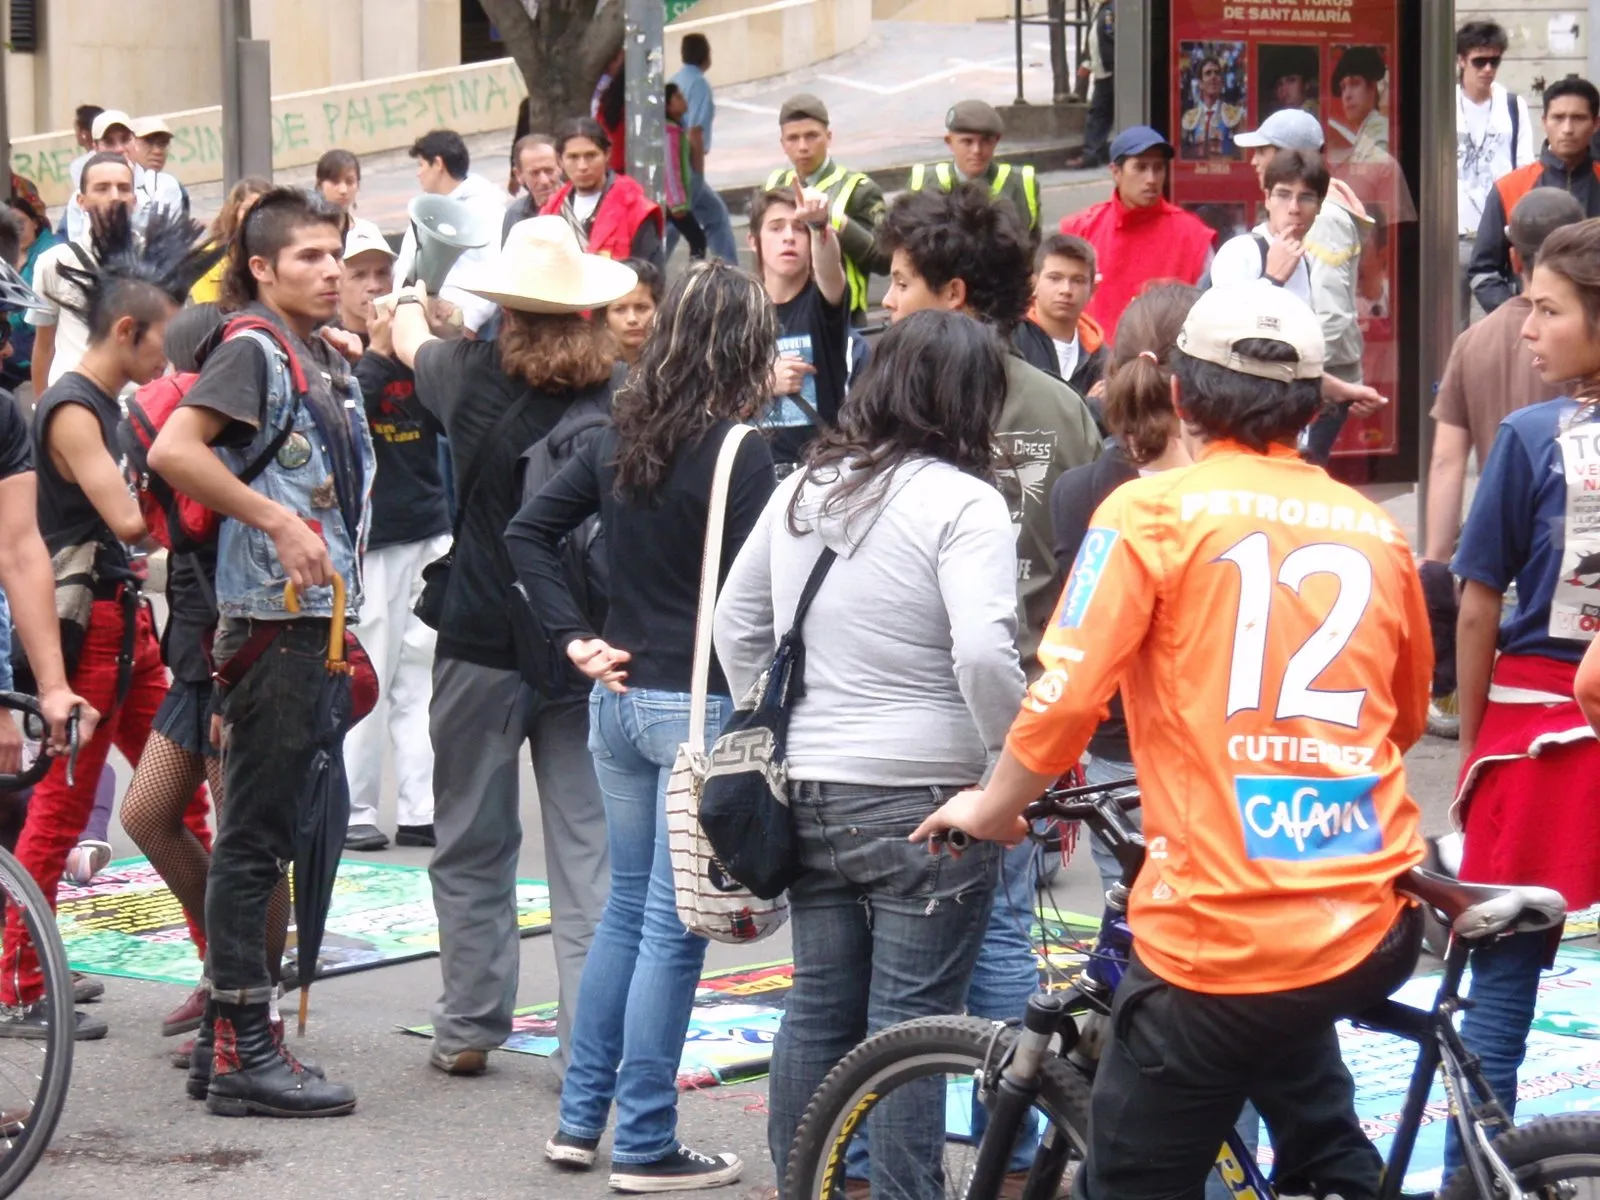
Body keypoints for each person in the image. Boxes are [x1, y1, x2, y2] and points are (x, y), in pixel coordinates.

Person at [914, 282, 1432, 1200]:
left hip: (1223, 923)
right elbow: (1401, 713)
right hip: (1365, 909)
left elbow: (1064, 697)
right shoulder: (1377, 530)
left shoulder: (1148, 513)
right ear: (1310, 404)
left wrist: (994, 807)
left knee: (1132, 1177)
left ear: (1180, 394)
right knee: (1309, 1110)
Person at [714, 310, 1023, 1195]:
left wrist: (780, 720)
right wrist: (1009, 762)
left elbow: (737, 624)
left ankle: (806, 1183)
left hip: (808, 785)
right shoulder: (965, 501)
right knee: (912, 1027)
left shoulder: (805, 488)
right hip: (927, 794)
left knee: (819, 1007)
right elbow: (982, 652)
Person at [508, 261, 777, 1194]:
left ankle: (581, 1121)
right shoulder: (743, 451)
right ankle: (647, 1140)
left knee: (628, 911)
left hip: (616, 696)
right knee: (671, 927)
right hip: (697, 705)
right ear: (746, 347)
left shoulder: (623, 431)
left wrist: (573, 637)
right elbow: (758, 599)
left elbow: (526, 533)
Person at [145, 187, 372, 1118]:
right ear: (263, 268)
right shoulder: (252, 348)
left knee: (259, 834)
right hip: (272, 624)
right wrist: (276, 520)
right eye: (310, 257)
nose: (331, 271)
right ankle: (245, 1049)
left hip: (301, 623)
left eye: (336, 255)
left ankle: (223, 1042)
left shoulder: (308, 352)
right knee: (253, 840)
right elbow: (174, 451)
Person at [387, 216, 621, 1081]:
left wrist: (414, 300)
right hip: (586, 641)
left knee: (471, 841)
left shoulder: (466, 374)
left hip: (481, 637)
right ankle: (587, 1051)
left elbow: (406, 337)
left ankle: (468, 1025)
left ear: (507, 308)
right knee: (588, 852)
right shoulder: (621, 393)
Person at [880, 182, 1100, 1060]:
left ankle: (1012, 1113)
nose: (887, 302)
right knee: (995, 925)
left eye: (901, 283)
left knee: (955, 939)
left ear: (954, 294)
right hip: (1020, 697)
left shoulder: (898, 408)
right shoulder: (1059, 406)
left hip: (944, 703)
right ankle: (1014, 1115)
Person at [0, 206, 220, 1041]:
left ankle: (220, 971)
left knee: (181, 801)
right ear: (127, 330)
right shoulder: (71, 408)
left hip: (125, 626)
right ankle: (17, 981)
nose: (170, 354)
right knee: (60, 814)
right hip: (89, 631)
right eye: (163, 338)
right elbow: (129, 520)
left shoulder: (105, 403)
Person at [1445, 217, 1600, 1174]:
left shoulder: (1532, 436)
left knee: (1501, 986)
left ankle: (1471, 1182)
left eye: (1547, 310)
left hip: (1536, 732)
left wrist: (1473, 745)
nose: (1527, 328)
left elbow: (1477, 607)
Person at [1422, 189, 1580, 739]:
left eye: (1548, 311)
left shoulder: (1474, 342)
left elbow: (1447, 461)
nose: (1533, 328)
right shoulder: (1570, 349)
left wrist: (1437, 560)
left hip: (1499, 547)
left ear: (1513, 255)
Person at [336, 224, 449, 853]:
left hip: (426, 526)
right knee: (369, 671)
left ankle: (421, 806)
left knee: (423, 673)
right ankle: (354, 807)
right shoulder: (332, 348)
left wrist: (435, 342)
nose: (374, 286)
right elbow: (345, 421)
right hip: (371, 540)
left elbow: (449, 415)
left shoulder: (410, 345)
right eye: (360, 275)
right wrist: (378, 355)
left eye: (383, 273)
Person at [1234, 109, 1375, 464]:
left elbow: (1330, 315)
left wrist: (1299, 379)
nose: (1253, 161)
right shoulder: (1302, 211)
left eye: (1262, 150)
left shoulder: (1322, 218)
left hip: (1311, 386)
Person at [1060, 126, 1215, 342]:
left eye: (1158, 168)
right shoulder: (1080, 229)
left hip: (1168, 358)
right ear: (1116, 172)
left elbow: (1212, 311)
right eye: (1140, 168)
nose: (1151, 178)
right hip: (1092, 357)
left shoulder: (1193, 234)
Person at [1469, 77, 1600, 314]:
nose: (1567, 129)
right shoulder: (1509, 187)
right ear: (1544, 122)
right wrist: (1521, 315)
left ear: (1595, 124)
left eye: (1578, 118)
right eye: (1558, 117)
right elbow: (1483, 270)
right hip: (1529, 326)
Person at [763, 94, 888, 322]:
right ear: (783, 144)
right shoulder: (775, 185)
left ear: (828, 137)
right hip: (786, 313)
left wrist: (830, 218)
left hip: (843, 318)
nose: (803, 147)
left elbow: (884, 259)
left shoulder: (858, 189)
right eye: (793, 138)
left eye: (812, 136)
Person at [750, 185, 848, 470]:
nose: (789, 237)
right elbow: (713, 404)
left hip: (818, 472)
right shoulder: (736, 312)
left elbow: (831, 270)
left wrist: (818, 225)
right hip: (754, 473)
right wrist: (764, 386)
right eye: (776, 228)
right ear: (754, 241)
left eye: (799, 228)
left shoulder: (821, 303)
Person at [29, 151, 138, 392]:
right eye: (102, 188)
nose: (114, 196)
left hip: (144, 404)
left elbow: (172, 342)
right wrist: (41, 405)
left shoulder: (157, 260)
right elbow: (44, 346)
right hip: (76, 402)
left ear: (134, 199)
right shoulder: (54, 262)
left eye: (123, 188)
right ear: (81, 201)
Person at [1456, 22, 1533, 319]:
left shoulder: (1513, 105)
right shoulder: (1445, 104)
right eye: (1479, 61)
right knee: (1451, 324)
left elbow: (1525, 167)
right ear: (1461, 60)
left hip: (1498, 235)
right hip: (1453, 234)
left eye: (1494, 61)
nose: (1488, 69)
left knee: (1500, 321)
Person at [398, 129, 507, 334]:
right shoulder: (426, 209)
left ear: (438, 164)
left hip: (473, 329)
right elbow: (406, 266)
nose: (418, 173)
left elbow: (493, 271)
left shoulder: (486, 209)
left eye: (421, 164)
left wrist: (470, 322)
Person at [543, 118, 665, 270]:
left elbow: (652, 275)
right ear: (560, 160)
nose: (582, 166)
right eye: (573, 157)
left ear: (607, 154)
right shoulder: (550, 211)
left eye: (591, 155)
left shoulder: (636, 210)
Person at [909, 100, 1040, 241]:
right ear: (949, 142)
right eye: (967, 142)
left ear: (996, 141)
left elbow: (1031, 243)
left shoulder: (1021, 183)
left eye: (986, 141)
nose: (977, 150)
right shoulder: (923, 182)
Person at [670, 34, 740, 264]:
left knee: (715, 215)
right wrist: (698, 171)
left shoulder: (675, 80)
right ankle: (650, 268)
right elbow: (695, 131)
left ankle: (729, 269)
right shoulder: (699, 85)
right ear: (706, 55)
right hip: (689, 166)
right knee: (676, 222)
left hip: (677, 164)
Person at [1014, 233, 1108, 403]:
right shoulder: (1011, 342)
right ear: (1033, 284)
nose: (1066, 290)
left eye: (1078, 281)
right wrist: (1087, 406)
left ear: (1092, 290)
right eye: (1055, 278)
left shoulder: (1101, 358)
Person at [3, 197, 60, 391]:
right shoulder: (7, 253)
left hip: (37, 338)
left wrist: (9, 321)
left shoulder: (49, 254)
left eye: (20, 223)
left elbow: (37, 312)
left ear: (35, 223)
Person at [190, 176, 270, 306]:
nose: (254, 215)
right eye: (247, 209)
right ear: (234, 211)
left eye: (262, 209)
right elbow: (207, 308)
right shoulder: (208, 257)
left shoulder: (281, 251)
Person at [65, 110, 136, 243]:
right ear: (96, 148)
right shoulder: (79, 199)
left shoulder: (162, 187)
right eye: (109, 142)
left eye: (125, 139)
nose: (119, 149)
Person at [1066, 0, 1115, 169]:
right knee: (1101, 113)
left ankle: (1092, 155)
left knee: (1099, 114)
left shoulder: (1113, 9)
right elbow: (1094, 38)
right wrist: (1087, 63)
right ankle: (1094, 154)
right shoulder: (1100, 8)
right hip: (1104, 70)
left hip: (1111, 70)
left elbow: (1112, 39)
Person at [662, 85, 708, 260]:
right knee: (697, 239)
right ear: (667, 105)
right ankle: (696, 273)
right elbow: (670, 167)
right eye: (678, 97)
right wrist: (676, 202)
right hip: (672, 201)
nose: (684, 100)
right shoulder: (669, 132)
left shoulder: (675, 128)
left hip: (670, 200)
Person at [1329, 46, 1390, 165]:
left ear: (1372, 87)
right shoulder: (1366, 133)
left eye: (1355, 83)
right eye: (1343, 87)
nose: (1347, 95)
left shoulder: (1380, 134)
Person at [1180, 56, 1244, 160]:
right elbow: (1181, 156)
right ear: (1200, 83)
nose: (1213, 76)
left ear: (1222, 82)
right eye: (1208, 73)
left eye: (1217, 73)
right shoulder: (1189, 117)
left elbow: (1244, 155)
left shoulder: (1235, 115)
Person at [503, 135, 564, 243]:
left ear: (560, 166)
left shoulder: (579, 207)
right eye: (534, 173)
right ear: (519, 175)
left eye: (549, 171)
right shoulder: (515, 215)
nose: (544, 180)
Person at [605, 258, 662, 367]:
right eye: (620, 310)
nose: (632, 319)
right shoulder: (589, 370)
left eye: (642, 308)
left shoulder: (673, 367)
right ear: (604, 316)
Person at [131, 116, 189, 218]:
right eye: (149, 142)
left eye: (163, 143)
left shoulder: (174, 186)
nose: (157, 151)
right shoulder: (121, 184)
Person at [315, 149, 369, 236]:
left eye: (349, 182)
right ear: (319, 185)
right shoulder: (305, 233)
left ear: (358, 185)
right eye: (335, 182)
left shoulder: (368, 232)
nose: (343, 190)